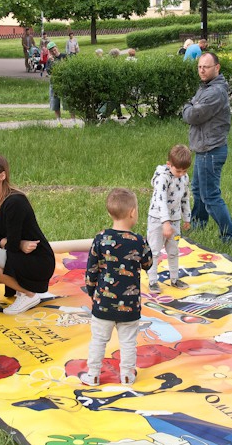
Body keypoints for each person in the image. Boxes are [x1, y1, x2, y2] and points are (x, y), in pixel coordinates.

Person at [80, 188, 153, 386]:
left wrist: (92, 292)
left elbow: (91, 270)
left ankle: (93, 375)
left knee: (98, 340)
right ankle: (127, 375)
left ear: (110, 212)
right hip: (130, 305)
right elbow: (148, 263)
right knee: (128, 342)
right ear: (133, 212)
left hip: (103, 302)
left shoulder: (101, 238)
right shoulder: (139, 241)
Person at [0, 154, 55, 315]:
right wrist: (21, 243)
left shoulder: (15, 202)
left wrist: (16, 243)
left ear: (2, 175)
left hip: (38, 260)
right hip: (19, 254)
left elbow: (11, 245)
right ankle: (23, 290)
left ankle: (29, 294)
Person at [182, 52, 232, 244]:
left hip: (211, 150)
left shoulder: (215, 92)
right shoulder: (206, 87)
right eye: (199, 67)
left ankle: (230, 237)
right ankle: (198, 225)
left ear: (217, 68)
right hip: (203, 149)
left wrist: (188, 107)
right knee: (198, 190)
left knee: (210, 196)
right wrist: (190, 106)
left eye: (206, 67)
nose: (202, 70)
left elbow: (193, 115)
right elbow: (192, 108)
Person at [146, 144, 192, 293]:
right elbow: (161, 201)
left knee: (173, 250)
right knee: (154, 251)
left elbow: (185, 198)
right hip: (157, 219)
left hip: (175, 220)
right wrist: (165, 223)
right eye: (178, 170)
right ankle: (153, 281)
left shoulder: (184, 178)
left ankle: (174, 278)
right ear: (169, 165)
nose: (181, 174)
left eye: (185, 170)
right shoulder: (162, 179)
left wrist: (187, 218)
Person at [46, 45, 64, 121]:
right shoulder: (49, 60)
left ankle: (74, 121)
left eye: (54, 50)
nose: (54, 52)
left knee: (68, 103)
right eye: (51, 51)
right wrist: (52, 62)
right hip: (54, 83)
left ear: (57, 48)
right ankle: (58, 121)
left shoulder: (64, 56)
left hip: (64, 82)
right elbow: (49, 71)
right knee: (55, 102)